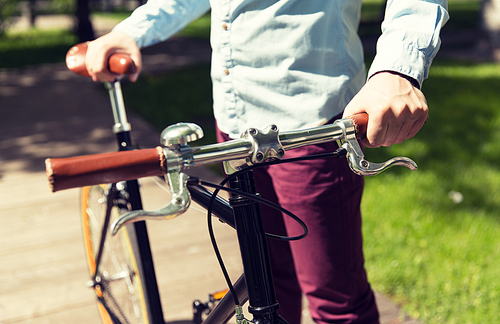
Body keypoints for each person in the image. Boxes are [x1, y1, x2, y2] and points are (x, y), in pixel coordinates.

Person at [85, 1, 449, 323]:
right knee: (266, 286)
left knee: (336, 300)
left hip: (310, 125)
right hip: (233, 125)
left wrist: (397, 69)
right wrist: (132, 30)